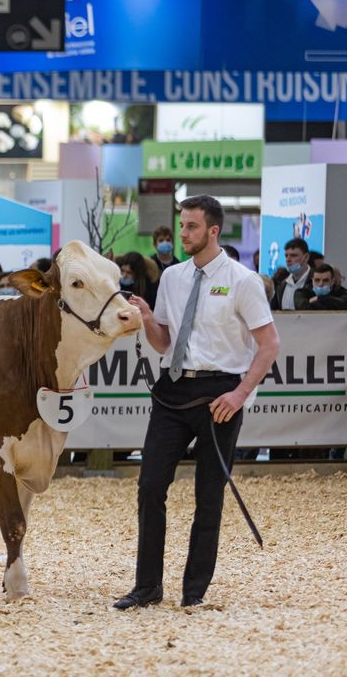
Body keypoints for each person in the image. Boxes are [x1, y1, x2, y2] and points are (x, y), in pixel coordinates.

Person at [115, 195, 279, 610]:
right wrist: (149, 319)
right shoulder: (172, 277)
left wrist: (240, 393)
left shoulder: (243, 280)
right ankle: (147, 586)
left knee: (209, 495)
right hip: (173, 391)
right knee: (150, 487)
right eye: (182, 225)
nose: (182, 234)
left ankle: (194, 593)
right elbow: (165, 343)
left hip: (220, 395)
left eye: (190, 227)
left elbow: (269, 345)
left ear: (213, 231)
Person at [271, 238, 311, 311]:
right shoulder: (281, 283)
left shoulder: (317, 280)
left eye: (293, 255)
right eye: (286, 255)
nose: (288, 259)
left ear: (306, 257)